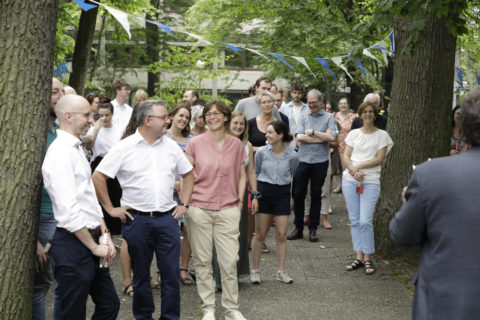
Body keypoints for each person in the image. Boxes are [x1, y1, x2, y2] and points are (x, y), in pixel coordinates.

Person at [92, 100, 194, 320]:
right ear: (148, 121)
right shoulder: (124, 146)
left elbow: (188, 174)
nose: (168, 120)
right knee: (140, 277)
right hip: (137, 220)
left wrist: (184, 204)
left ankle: (170, 318)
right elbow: (98, 176)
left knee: (170, 275)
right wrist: (110, 209)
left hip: (167, 219)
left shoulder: (170, 146)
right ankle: (143, 317)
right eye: (164, 117)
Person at [389, 87, 480, 320]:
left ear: (463, 126)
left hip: (446, 303)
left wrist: (410, 202)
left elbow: (402, 234)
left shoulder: (431, 174)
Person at [42, 94, 119, 320]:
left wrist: (104, 233)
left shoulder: (76, 147)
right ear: (68, 116)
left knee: (109, 305)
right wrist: (94, 247)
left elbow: (88, 198)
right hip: (73, 242)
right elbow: (68, 210)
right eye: (87, 115)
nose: (92, 119)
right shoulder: (59, 153)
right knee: (71, 313)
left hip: (92, 239)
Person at [184, 101, 248, 320]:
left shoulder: (236, 144)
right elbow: (187, 175)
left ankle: (231, 309)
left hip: (228, 209)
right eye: (207, 114)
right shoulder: (195, 144)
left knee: (229, 261)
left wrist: (240, 203)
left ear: (226, 117)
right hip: (199, 207)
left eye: (216, 114)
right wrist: (186, 204)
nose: (211, 117)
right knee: (202, 261)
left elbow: (242, 175)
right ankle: (208, 308)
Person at [342, 101, 393, 275]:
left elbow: (379, 159)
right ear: (360, 114)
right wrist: (353, 170)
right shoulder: (354, 134)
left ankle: (368, 258)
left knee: (365, 220)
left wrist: (359, 167)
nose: (368, 114)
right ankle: (358, 256)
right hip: (350, 180)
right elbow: (346, 156)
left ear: (375, 114)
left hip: (370, 181)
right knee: (355, 220)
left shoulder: (382, 135)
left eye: (371, 111)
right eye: (365, 111)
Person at [212, 111, 259, 291]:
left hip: (240, 195)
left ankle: (233, 275)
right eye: (235, 123)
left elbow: (251, 172)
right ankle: (217, 276)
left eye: (242, 124)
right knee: (219, 236)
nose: (239, 127)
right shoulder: (219, 142)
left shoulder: (248, 145)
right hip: (220, 194)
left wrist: (254, 195)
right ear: (228, 124)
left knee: (237, 236)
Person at [250, 121, 298, 285]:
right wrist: (255, 196)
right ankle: (255, 270)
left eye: (270, 132)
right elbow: (255, 173)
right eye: (267, 132)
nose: (267, 135)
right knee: (260, 234)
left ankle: (281, 271)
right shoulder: (261, 153)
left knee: (282, 234)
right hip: (264, 192)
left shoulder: (293, 155)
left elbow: (293, 172)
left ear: (280, 135)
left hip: (282, 193)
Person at [287, 90, 337, 242]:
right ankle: (298, 228)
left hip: (320, 162)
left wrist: (313, 132)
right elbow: (300, 137)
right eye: (309, 102)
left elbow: (333, 137)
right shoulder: (303, 115)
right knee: (298, 195)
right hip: (303, 160)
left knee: (316, 195)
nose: (311, 105)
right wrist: (322, 137)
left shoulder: (329, 117)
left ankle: (313, 229)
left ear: (321, 102)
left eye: (314, 102)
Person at [32, 78, 64, 320]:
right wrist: (32, 241)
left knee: (61, 282)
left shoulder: (59, 132)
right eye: (55, 92)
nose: (60, 96)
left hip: (61, 216)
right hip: (41, 218)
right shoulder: (33, 134)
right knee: (39, 286)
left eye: (62, 91)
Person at [83, 100, 124, 235]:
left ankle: (114, 231)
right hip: (98, 163)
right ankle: (100, 231)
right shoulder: (94, 129)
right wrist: (96, 128)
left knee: (114, 198)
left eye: (107, 115)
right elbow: (88, 146)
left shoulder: (119, 129)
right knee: (98, 199)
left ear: (112, 114)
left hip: (114, 167)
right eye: (101, 115)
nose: (104, 118)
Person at [166, 103, 195, 286]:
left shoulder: (192, 140)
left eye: (187, 117)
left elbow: (194, 168)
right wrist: (172, 184)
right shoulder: (162, 137)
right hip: (166, 191)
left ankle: (183, 269)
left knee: (188, 231)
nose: (183, 119)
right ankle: (164, 270)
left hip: (187, 191)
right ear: (172, 116)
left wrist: (184, 186)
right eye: (181, 115)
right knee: (168, 234)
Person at [333, 97, 357, 193]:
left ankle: (350, 184)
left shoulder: (354, 117)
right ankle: (340, 185)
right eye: (341, 103)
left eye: (345, 103)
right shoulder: (334, 116)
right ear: (338, 105)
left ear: (348, 105)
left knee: (349, 164)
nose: (343, 105)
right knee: (338, 166)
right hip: (337, 143)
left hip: (349, 144)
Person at [279, 83, 309, 150]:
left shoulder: (308, 109)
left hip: (304, 145)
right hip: (289, 145)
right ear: (291, 93)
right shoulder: (284, 108)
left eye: (299, 93)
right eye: (295, 93)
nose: (297, 95)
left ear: (302, 94)